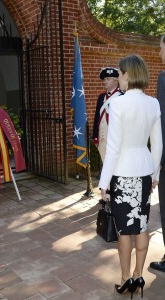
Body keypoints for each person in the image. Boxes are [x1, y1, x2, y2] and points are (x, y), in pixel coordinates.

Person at [99, 54, 162, 298]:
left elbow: (113, 148)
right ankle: (139, 275)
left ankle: (125, 279)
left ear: (127, 75)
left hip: (122, 174)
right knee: (142, 225)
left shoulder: (118, 103)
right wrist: (154, 174)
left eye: (120, 73)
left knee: (125, 230)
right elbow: (157, 145)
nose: (118, 77)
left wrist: (104, 183)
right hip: (144, 173)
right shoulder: (153, 103)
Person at [150, 34, 165, 272]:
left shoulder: (164, 78)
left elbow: (163, 124)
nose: (159, 52)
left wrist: (158, 163)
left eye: (161, 47)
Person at [93, 67, 123, 162]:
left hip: (116, 139)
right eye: (104, 79)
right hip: (103, 139)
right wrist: (95, 136)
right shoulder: (101, 97)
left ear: (116, 81)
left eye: (108, 79)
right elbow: (97, 118)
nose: (105, 81)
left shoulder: (122, 96)